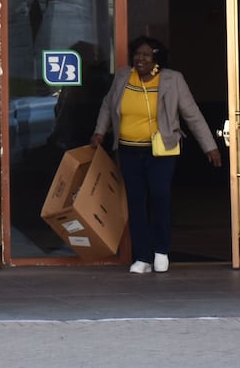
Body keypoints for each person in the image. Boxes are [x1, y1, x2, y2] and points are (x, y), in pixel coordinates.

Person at [91, 36, 221, 274]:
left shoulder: (173, 80)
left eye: (146, 55)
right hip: (128, 149)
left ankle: (161, 251)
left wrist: (209, 147)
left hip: (161, 150)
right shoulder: (122, 76)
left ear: (157, 60)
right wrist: (100, 131)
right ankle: (142, 257)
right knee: (136, 201)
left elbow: (192, 114)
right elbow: (108, 106)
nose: (140, 59)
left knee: (160, 196)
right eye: (137, 54)